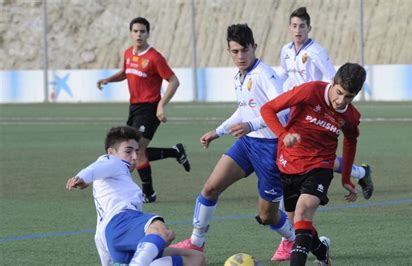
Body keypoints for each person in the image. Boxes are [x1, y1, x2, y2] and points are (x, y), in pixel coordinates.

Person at [170, 24, 296, 261]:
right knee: (210, 188)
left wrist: (252, 125)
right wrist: (218, 132)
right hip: (247, 144)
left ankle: (293, 239)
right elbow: (242, 112)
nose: (240, 56)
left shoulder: (265, 75)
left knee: (267, 215)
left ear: (254, 47)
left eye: (244, 50)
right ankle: (196, 243)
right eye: (235, 51)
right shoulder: (240, 76)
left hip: (270, 149)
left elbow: (283, 111)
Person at [261, 62, 367, 265]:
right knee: (298, 223)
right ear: (333, 82)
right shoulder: (310, 91)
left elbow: (350, 142)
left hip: (320, 166)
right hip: (289, 164)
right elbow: (268, 109)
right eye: (339, 92)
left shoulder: (351, 117)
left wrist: (345, 178)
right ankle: (322, 253)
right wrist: (283, 135)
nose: (340, 100)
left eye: (348, 97)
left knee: (303, 211)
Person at [66, 126, 204, 266]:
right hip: (121, 221)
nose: (134, 156)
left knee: (195, 258)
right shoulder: (113, 161)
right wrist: (81, 178)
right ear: (111, 152)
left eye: (137, 151)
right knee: (162, 232)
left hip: (112, 238)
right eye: (128, 151)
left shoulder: (115, 178)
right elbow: (95, 168)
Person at [278, 7, 373, 200]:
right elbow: (284, 75)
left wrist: (339, 103)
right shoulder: (286, 51)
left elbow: (333, 78)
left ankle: (283, 197)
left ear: (309, 28)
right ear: (289, 28)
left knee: (309, 155)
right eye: (294, 26)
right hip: (292, 106)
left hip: (312, 108)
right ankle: (361, 173)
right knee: (297, 152)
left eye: (302, 26)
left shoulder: (316, 51)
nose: (298, 30)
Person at [96, 17, 190, 203]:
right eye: (135, 31)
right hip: (134, 108)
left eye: (142, 31)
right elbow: (125, 72)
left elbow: (174, 81)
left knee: (136, 151)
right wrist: (108, 79)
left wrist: (161, 105)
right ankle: (175, 152)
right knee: (134, 149)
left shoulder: (154, 57)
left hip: (150, 109)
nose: (139, 34)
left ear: (148, 33)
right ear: (130, 33)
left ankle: (149, 193)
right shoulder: (128, 53)